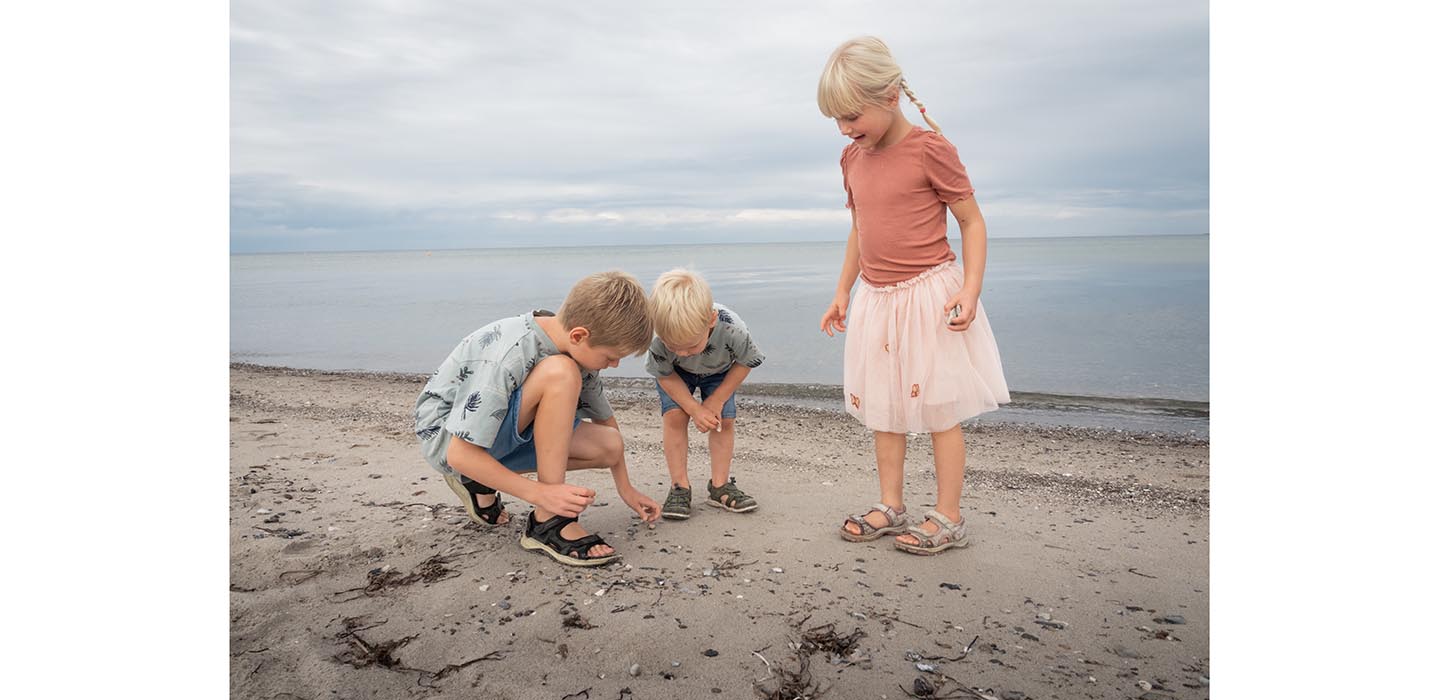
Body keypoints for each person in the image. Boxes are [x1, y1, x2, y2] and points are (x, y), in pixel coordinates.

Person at [816, 36, 1011, 555]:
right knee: (884, 407)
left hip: (930, 295)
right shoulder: (850, 158)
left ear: (890, 97)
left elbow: (972, 221)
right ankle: (891, 504)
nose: (845, 129)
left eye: (851, 116)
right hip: (877, 299)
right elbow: (860, 228)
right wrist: (842, 290)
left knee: (940, 410)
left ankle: (948, 516)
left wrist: (970, 289)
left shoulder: (930, 149)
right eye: (836, 120)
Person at [413, 271, 662, 566]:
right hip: (447, 440)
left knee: (610, 445)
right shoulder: (512, 352)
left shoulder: (576, 347)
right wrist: (541, 494)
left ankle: (479, 479)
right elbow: (459, 453)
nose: (615, 365)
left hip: (495, 434)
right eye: (610, 357)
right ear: (579, 336)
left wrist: (626, 488)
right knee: (561, 373)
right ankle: (548, 522)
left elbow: (605, 422)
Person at [644, 269, 766, 520]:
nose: (683, 352)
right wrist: (694, 408)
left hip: (721, 370)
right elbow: (664, 374)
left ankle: (720, 486)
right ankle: (679, 486)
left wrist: (716, 400)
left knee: (723, 421)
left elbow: (746, 362)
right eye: (673, 346)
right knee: (675, 417)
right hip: (675, 374)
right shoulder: (660, 337)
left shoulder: (732, 329)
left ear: (711, 321)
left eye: (691, 345)